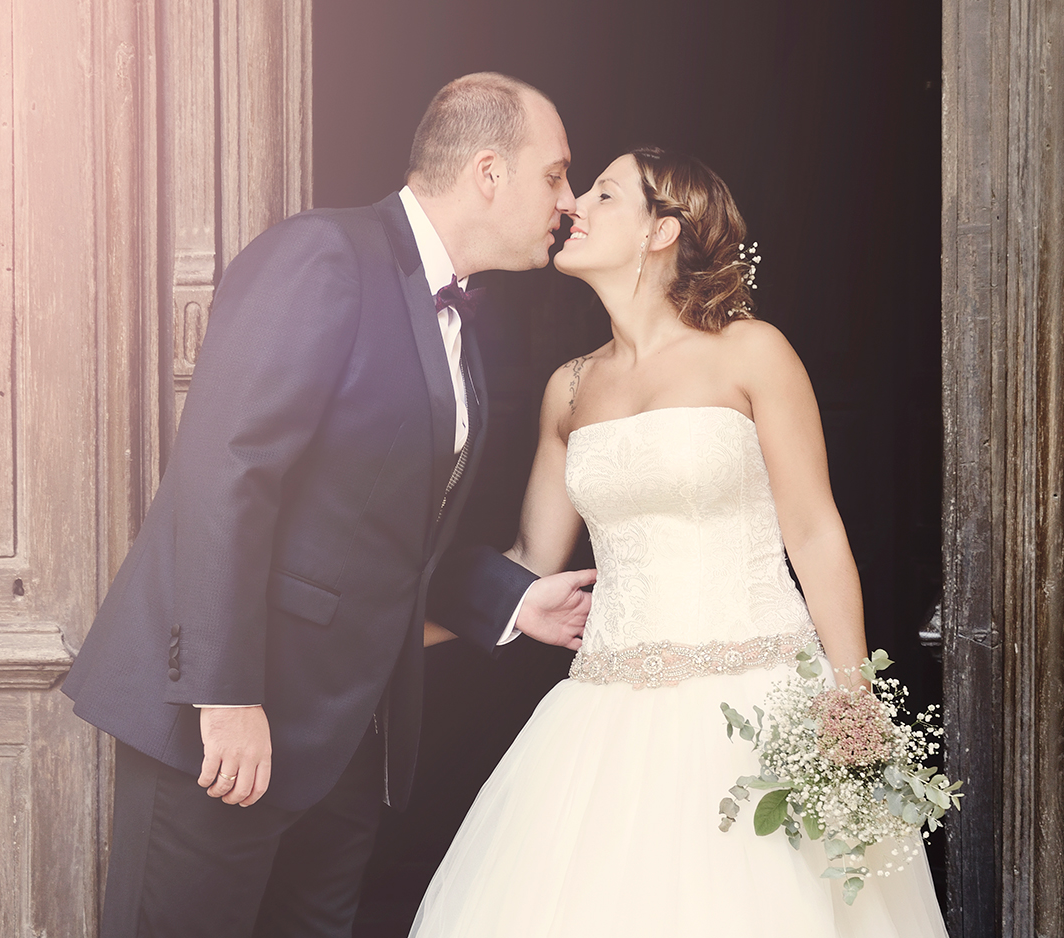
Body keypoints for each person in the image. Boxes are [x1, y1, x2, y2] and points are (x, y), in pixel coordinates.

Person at [61, 72, 599, 938]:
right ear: (488, 173)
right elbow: (225, 472)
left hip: (344, 740)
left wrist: (509, 600)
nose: (568, 202)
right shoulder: (322, 255)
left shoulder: (459, 325)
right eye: (555, 175)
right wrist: (226, 697)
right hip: (229, 724)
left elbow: (383, 538)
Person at [410, 148, 949, 937]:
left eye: (603, 193)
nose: (573, 205)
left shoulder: (750, 350)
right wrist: (391, 628)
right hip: (603, 715)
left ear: (661, 230)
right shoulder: (568, 387)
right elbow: (529, 563)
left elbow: (812, 530)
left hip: (759, 693)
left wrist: (850, 697)